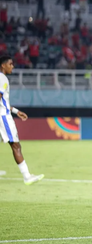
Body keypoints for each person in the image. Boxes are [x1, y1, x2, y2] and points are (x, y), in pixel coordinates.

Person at [0, 55, 44, 185]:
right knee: (16, 145)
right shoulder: (2, 78)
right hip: (3, 117)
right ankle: (27, 176)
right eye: (10, 64)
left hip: (4, 113)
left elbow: (3, 102)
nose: (12, 66)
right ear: (3, 65)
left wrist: (16, 111)